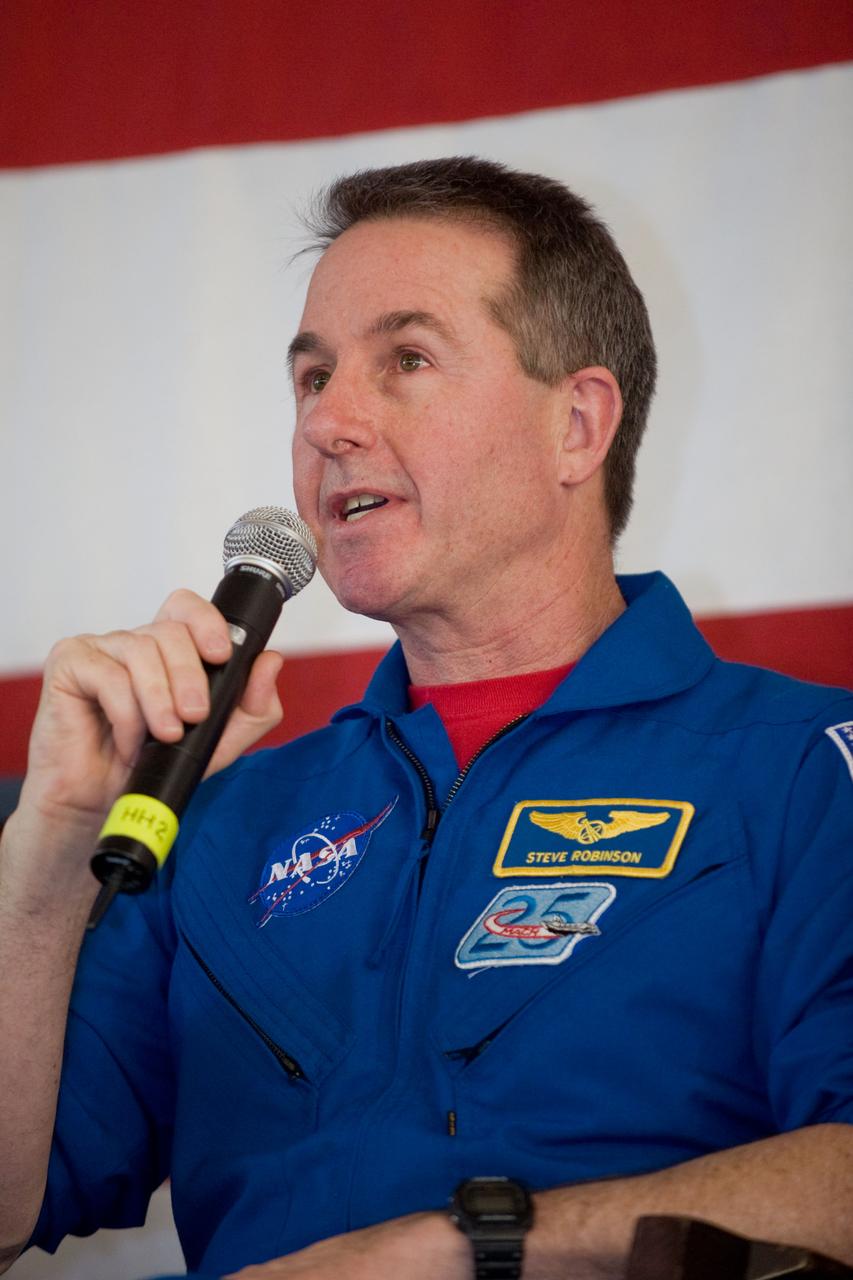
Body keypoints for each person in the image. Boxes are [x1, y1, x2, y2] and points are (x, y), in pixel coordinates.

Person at [1, 157, 851, 1280]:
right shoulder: (217, 817)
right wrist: (48, 859)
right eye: (310, 379)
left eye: (405, 360)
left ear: (578, 426)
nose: (330, 422)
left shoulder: (797, 769)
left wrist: (454, 1247)